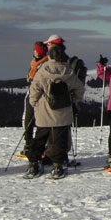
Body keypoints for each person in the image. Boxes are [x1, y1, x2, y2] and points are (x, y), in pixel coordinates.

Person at [25, 43, 84, 179]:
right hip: (63, 112)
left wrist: (35, 104)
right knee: (59, 140)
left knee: (40, 138)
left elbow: (34, 90)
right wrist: (73, 100)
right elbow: (79, 89)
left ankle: (33, 163)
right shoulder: (68, 71)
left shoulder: (43, 70)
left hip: (44, 111)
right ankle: (57, 165)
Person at [22, 41, 49, 155]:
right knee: (28, 118)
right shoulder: (35, 63)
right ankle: (29, 142)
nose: (34, 52)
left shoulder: (43, 64)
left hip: (39, 95)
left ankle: (35, 144)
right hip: (33, 94)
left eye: (36, 50)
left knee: (34, 119)